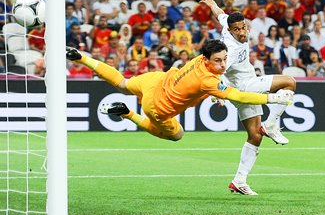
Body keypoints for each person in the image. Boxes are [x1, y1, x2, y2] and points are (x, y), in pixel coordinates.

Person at [65, 40, 293, 193]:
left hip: (155, 80)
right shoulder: (208, 80)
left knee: (123, 83)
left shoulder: (200, 62)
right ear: (206, 59)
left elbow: (211, 87)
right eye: (218, 61)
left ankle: (80, 57)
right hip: (157, 107)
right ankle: (128, 114)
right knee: (177, 135)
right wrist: (272, 99)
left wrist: (217, 95)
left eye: (225, 59)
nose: (223, 64)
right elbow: (241, 97)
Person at [199, 0, 296, 195]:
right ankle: (270, 124)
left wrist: (211, 3)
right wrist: (217, 95)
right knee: (289, 82)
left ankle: (239, 181)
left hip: (243, 88)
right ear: (231, 31)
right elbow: (217, 72)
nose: (242, 32)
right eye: (238, 30)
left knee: (255, 135)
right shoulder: (229, 50)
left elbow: (219, 14)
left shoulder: (228, 24)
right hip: (245, 87)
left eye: (244, 27)